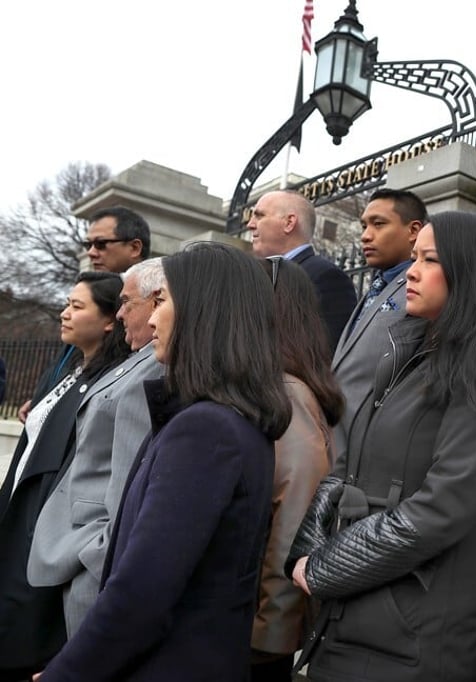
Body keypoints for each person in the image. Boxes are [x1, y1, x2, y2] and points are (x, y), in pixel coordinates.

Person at [287, 211, 476, 681]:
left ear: (471, 272)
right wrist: (308, 554)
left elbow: (444, 506)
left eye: (431, 259)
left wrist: (327, 568)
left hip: (416, 623)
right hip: (358, 610)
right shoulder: (408, 352)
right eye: (415, 256)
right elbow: (348, 467)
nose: (413, 272)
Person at [34, 242, 291, 680]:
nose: (151, 317)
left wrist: (66, 673)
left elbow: (143, 590)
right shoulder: (231, 423)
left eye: (164, 301)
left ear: (201, 312)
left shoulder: (206, 431)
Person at [0, 271, 130, 681]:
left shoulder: (110, 384)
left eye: (77, 307)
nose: (64, 314)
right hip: (19, 517)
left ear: (110, 320)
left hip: (44, 537)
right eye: (66, 304)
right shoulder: (66, 369)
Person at [27, 258, 166, 636]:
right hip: (68, 548)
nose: (120, 313)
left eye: (127, 303)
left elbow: (124, 491)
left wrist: (91, 559)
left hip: (88, 559)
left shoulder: (155, 367)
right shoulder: (138, 361)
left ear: (158, 301)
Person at [250, 256, 342, 682]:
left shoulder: (287, 394)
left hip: (256, 638)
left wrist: (271, 633)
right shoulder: (269, 386)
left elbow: (294, 518)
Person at [17, 206, 150, 423]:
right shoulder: (92, 290)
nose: (91, 252)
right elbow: (74, 360)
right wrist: (47, 395)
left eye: (101, 244)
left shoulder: (147, 306)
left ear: (134, 247)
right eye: (88, 244)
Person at [330, 188, 426, 467]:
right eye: (363, 225)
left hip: (376, 458)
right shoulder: (377, 287)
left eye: (378, 224)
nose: (365, 235)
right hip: (338, 451)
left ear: (413, 230)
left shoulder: (419, 291)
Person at [246, 189, 357, 349]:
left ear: (289, 223)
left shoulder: (326, 278)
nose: (250, 224)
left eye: (259, 215)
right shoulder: (255, 277)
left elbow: (326, 353)